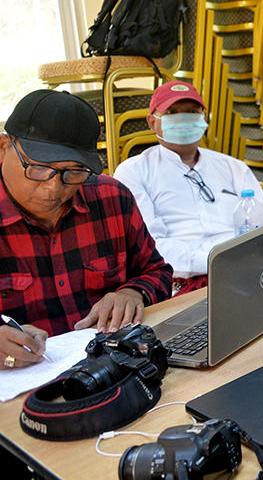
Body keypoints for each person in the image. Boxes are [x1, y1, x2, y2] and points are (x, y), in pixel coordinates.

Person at [0, 90, 173, 370]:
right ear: (3, 147)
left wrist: (133, 294)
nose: (54, 188)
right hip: (18, 388)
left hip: (114, 368)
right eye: (39, 168)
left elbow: (157, 272)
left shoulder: (111, 198)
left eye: (74, 172)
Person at [114, 80, 263, 294]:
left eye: (192, 111)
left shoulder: (233, 167)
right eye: (172, 112)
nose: (183, 119)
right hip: (180, 284)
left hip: (246, 271)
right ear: (152, 122)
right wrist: (215, 260)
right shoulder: (134, 171)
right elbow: (151, 246)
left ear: (203, 118)